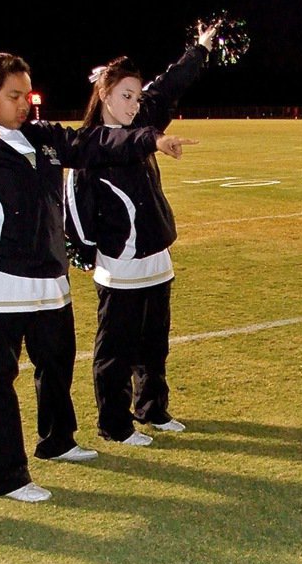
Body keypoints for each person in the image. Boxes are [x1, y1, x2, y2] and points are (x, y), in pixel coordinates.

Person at [0, 53, 192, 501]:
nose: (23, 105)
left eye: (26, 95)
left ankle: (57, 440)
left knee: (55, 366)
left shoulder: (42, 137)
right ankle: (6, 475)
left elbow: (95, 144)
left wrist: (149, 139)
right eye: (13, 96)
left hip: (48, 279)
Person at [65, 23, 216, 446]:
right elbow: (75, 209)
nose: (134, 105)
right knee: (115, 351)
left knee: (154, 345)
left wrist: (200, 50)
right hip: (120, 266)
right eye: (125, 96)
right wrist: (90, 253)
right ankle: (114, 423)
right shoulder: (91, 145)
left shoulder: (142, 120)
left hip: (156, 260)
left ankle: (152, 408)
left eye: (136, 96)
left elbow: (168, 86)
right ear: (104, 95)